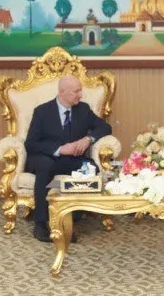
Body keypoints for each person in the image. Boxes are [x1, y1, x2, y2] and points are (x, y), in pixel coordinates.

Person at [24, 75, 112, 242]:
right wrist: (59, 149)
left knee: (91, 168)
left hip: (70, 160)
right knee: (46, 166)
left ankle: (72, 218)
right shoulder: (42, 111)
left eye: (80, 91)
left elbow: (105, 127)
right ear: (62, 92)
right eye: (76, 91)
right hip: (45, 157)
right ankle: (40, 223)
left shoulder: (83, 109)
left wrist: (88, 139)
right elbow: (31, 144)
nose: (80, 95)